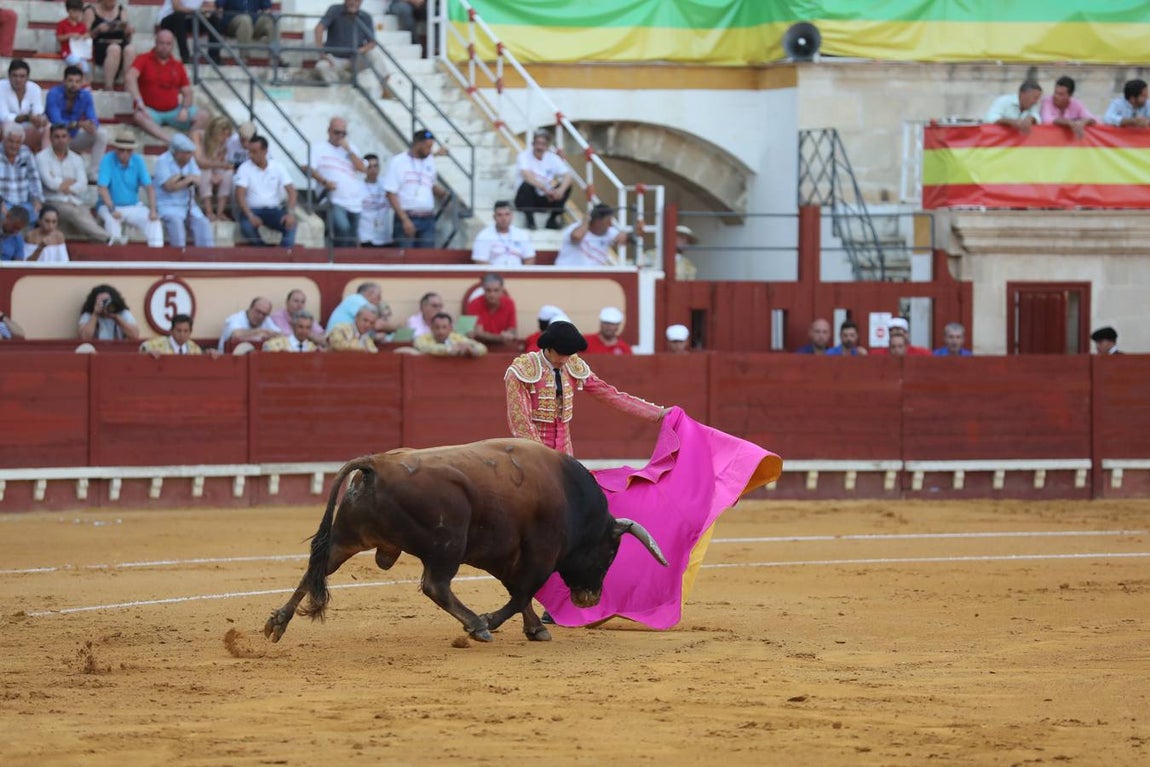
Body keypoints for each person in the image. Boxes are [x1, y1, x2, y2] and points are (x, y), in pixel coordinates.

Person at [504, 319, 664, 457]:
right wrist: (541, 456)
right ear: (548, 348)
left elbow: (610, 394)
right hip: (533, 450)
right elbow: (520, 420)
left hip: (565, 449)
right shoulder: (523, 370)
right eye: (561, 354)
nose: (565, 360)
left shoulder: (573, 365)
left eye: (569, 354)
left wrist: (657, 412)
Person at [126, 29, 208, 143]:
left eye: (168, 44)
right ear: (156, 42)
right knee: (139, 116)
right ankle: (171, 141)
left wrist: (184, 109)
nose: (164, 47)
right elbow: (130, 77)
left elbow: (187, 92)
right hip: (150, 110)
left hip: (174, 111)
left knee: (203, 116)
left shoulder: (178, 65)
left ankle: (187, 142)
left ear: (172, 45)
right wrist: (139, 101)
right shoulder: (143, 59)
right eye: (161, 43)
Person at [36, 123, 109, 243]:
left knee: (84, 213)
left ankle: (100, 241)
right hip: (52, 201)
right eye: (57, 137)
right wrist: (71, 182)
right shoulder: (41, 157)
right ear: (51, 138)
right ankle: (107, 238)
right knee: (74, 213)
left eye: (64, 136)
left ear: (69, 138)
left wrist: (63, 184)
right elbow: (50, 184)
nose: (61, 140)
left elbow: (82, 185)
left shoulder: (76, 159)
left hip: (74, 200)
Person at [97, 127, 163, 247]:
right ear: (116, 149)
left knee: (154, 221)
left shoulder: (138, 160)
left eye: (128, 150)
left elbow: (149, 187)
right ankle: (114, 258)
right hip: (109, 205)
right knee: (112, 221)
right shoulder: (107, 159)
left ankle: (157, 256)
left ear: (132, 150)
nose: (124, 154)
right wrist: (112, 209)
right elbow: (102, 188)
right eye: (121, 150)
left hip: (133, 205)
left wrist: (153, 210)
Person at [307, 117, 367, 248]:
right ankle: (338, 260)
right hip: (333, 198)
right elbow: (307, 168)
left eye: (343, 133)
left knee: (352, 236)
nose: (340, 136)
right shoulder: (319, 148)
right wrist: (324, 181)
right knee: (342, 228)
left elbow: (362, 168)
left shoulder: (352, 149)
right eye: (337, 132)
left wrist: (349, 150)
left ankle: (348, 263)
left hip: (353, 200)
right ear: (329, 131)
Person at [384, 128, 448, 249]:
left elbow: (430, 184)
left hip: (428, 219)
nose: (430, 151)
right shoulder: (398, 162)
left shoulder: (429, 161)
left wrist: (443, 194)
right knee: (406, 261)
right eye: (428, 147)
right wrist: (404, 219)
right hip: (407, 217)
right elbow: (390, 193)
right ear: (418, 144)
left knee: (426, 261)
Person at [313, 0, 392, 96]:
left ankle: (385, 87)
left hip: (356, 58)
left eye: (357, 0)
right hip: (335, 58)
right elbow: (319, 28)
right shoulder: (334, 10)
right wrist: (322, 53)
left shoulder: (365, 17)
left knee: (374, 54)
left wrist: (360, 51)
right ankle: (337, 92)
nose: (353, 2)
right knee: (322, 66)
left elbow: (372, 42)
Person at [44, 66, 108, 179]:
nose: (74, 85)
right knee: (54, 129)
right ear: (64, 81)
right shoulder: (53, 94)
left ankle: (94, 173)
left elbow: (93, 117)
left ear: (82, 82)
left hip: (72, 138)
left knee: (101, 134)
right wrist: (79, 124)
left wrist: (92, 125)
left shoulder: (85, 95)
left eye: (77, 81)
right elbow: (56, 122)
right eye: (70, 81)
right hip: (53, 139)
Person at [234, 135, 297, 247]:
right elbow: (239, 195)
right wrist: (250, 215)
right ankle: (264, 251)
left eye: (254, 152)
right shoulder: (244, 168)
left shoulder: (278, 166)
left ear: (265, 151)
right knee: (247, 227)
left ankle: (283, 256)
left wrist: (290, 213)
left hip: (274, 210)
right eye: (250, 152)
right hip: (252, 210)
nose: (251, 155)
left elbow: (292, 191)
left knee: (291, 224)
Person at [153, 132, 213, 247]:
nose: (190, 156)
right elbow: (168, 187)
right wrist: (187, 179)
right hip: (168, 206)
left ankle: (207, 259)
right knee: (176, 225)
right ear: (177, 153)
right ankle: (179, 258)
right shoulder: (163, 161)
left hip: (189, 205)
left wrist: (179, 179)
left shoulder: (190, 161)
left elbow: (198, 180)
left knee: (204, 224)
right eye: (187, 153)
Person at [513, 129, 572, 230]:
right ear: (533, 144)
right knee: (527, 185)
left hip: (545, 198)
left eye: (543, 144)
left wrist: (559, 191)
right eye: (537, 143)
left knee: (567, 187)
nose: (539, 147)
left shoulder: (552, 158)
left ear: (547, 145)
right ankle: (530, 221)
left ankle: (552, 221)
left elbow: (568, 175)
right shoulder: (523, 156)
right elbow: (527, 176)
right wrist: (546, 190)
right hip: (525, 199)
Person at [84, 0, 137, 92]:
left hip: (121, 43)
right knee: (114, 49)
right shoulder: (90, 10)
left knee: (130, 49)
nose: (112, 3)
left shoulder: (120, 10)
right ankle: (109, 87)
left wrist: (128, 32)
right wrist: (97, 30)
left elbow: (128, 38)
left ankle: (128, 87)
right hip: (100, 45)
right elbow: (84, 35)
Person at [555, 203, 628, 267]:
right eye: (608, 221)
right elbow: (577, 237)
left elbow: (622, 239)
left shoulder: (608, 231)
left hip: (594, 276)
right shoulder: (575, 228)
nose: (610, 224)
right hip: (569, 273)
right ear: (598, 221)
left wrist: (623, 235)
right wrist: (586, 220)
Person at [192, 115, 235, 221]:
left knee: (229, 173)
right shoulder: (198, 135)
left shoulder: (225, 142)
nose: (225, 138)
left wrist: (218, 172)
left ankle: (220, 212)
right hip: (197, 171)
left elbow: (222, 161)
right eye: (222, 134)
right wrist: (219, 167)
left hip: (213, 169)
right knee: (205, 171)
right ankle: (209, 211)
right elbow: (199, 162)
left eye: (227, 135)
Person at [0, 60, 48, 153]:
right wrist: (27, 117)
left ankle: (44, 160)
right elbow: (4, 116)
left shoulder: (34, 88)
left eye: (22, 76)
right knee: (8, 126)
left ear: (27, 77)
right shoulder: (1, 87)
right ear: (9, 76)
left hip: (28, 127)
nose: (18, 80)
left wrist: (40, 119)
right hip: (5, 127)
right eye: (15, 76)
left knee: (48, 127)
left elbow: (38, 111)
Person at [0, 124, 44, 224]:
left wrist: (37, 199)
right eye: (11, 141)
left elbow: (34, 178)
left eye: (18, 142)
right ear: (4, 139)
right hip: (3, 202)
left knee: (36, 214)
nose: (14, 145)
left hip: (24, 202)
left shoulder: (26, 152)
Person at [471, 200, 536, 266]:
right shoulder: (484, 236)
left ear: (512, 216)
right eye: (499, 215)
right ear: (494, 217)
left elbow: (529, 259)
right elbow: (481, 261)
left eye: (507, 214)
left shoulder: (521, 235)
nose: (504, 218)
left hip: (517, 274)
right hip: (494, 275)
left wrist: (521, 275)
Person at [212, 0, 277, 64]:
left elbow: (267, 7)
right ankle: (243, 58)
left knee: (269, 19)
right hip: (232, 23)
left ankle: (275, 58)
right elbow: (219, 5)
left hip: (253, 22)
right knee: (245, 19)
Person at [465, 272, 518, 349]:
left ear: (502, 290)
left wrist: (509, 335)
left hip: (502, 347)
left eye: (496, 290)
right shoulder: (474, 303)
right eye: (488, 290)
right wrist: (501, 337)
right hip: (480, 348)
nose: (492, 294)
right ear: (483, 290)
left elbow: (512, 331)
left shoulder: (509, 303)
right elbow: (478, 333)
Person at [327, 281, 399, 335]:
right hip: (339, 340)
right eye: (378, 296)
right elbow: (377, 325)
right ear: (370, 293)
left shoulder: (356, 300)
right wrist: (398, 328)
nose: (380, 300)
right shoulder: (357, 299)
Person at [217, 296, 281, 351]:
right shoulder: (236, 318)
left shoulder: (266, 320)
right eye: (258, 311)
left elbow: (279, 334)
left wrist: (272, 335)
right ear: (250, 308)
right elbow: (236, 334)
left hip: (256, 359)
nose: (260, 316)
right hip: (228, 359)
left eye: (264, 314)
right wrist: (257, 332)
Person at [414, 312, 488, 357]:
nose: (441, 331)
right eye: (437, 327)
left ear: (451, 328)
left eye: (444, 327)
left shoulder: (456, 337)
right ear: (431, 328)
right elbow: (426, 348)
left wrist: (472, 350)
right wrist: (450, 349)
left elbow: (482, 347)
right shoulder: (422, 338)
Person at [359, 152, 393, 247]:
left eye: (376, 166)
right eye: (369, 167)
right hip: (366, 237)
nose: (373, 170)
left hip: (386, 237)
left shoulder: (386, 183)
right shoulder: (358, 186)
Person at [139, 313, 207, 355]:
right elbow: (142, 349)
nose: (182, 334)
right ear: (171, 331)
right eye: (178, 331)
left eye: (186, 331)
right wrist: (148, 353)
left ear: (190, 332)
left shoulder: (194, 348)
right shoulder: (159, 344)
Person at [57, 0, 93, 76]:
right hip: (67, 53)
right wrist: (70, 35)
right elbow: (59, 38)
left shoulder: (82, 25)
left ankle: (86, 85)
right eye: (74, 11)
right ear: (68, 11)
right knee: (79, 65)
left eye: (78, 11)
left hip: (80, 53)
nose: (76, 14)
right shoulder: (62, 24)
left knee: (86, 68)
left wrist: (85, 36)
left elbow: (86, 35)